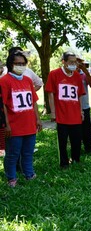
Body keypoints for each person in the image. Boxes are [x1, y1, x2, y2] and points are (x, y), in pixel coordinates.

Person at [2, 51, 43, 187]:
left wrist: (37, 119)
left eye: (23, 64)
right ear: (10, 64)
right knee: (13, 154)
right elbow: (3, 105)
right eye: (17, 63)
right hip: (14, 126)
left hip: (29, 124)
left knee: (28, 152)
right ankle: (11, 178)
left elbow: (34, 102)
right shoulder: (4, 81)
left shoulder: (27, 80)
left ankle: (29, 174)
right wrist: (6, 124)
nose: (21, 66)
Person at [45, 52, 85, 169]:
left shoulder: (77, 76)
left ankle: (76, 159)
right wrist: (53, 112)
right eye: (71, 62)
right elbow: (50, 94)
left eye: (75, 62)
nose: (74, 64)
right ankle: (63, 163)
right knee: (62, 141)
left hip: (75, 114)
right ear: (64, 61)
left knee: (76, 140)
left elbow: (80, 95)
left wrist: (81, 111)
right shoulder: (54, 74)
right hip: (61, 114)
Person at [78, 58, 91, 154]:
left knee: (87, 128)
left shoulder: (83, 74)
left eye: (80, 62)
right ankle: (76, 147)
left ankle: (88, 147)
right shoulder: (68, 74)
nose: (78, 64)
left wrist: (86, 72)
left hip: (84, 105)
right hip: (72, 107)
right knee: (75, 129)